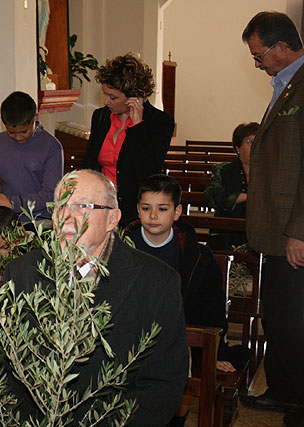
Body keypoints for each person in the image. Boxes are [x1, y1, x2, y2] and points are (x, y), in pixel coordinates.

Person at [0, 170, 188, 425]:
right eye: (60, 206)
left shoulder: (157, 283)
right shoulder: (22, 273)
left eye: (82, 206)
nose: (66, 217)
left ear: (112, 219)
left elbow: (161, 385)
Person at [124, 174, 249, 426]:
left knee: (179, 384)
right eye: (146, 208)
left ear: (177, 211)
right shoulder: (122, 247)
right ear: (138, 209)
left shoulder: (197, 256)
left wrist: (217, 349)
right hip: (129, 335)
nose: (153, 216)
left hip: (180, 337)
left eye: (163, 209)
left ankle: (176, 419)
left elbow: (212, 306)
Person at [241, 11, 304, 424]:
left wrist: (300, 231)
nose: (257, 63)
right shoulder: (285, 87)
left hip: (292, 231)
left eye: (259, 54)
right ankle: (284, 389)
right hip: (276, 229)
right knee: (279, 315)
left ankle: (299, 399)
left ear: (282, 48)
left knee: (294, 319)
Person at [81, 53, 175, 224]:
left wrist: (138, 127)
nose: (106, 101)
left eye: (113, 97)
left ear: (134, 96)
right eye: (105, 94)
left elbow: (147, 171)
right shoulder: (101, 117)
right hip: (100, 205)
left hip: (135, 209)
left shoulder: (160, 122)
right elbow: (89, 162)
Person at [0, 91, 64, 221]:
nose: (18, 137)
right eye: (11, 132)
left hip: (38, 221)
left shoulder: (51, 147)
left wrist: (14, 203)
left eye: (24, 131)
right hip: (4, 219)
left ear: (35, 118)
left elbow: (51, 194)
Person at [204, 123, 259, 249]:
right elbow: (211, 196)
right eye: (250, 142)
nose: (255, 146)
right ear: (238, 148)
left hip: (259, 230)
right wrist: (241, 197)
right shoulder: (223, 170)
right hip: (227, 231)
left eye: (258, 142)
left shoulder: (269, 173)